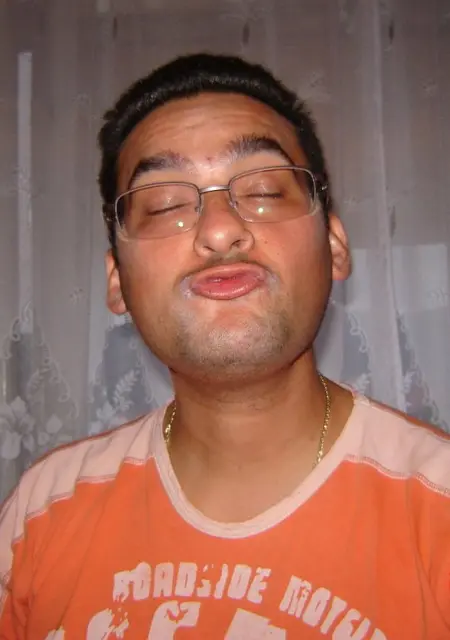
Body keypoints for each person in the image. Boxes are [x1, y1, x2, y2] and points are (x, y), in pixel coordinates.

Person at [0, 53, 449, 640]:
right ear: (116, 282)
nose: (218, 229)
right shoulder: (40, 512)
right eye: (163, 205)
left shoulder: (437, 507)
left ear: (335, 246)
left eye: (264, 190)